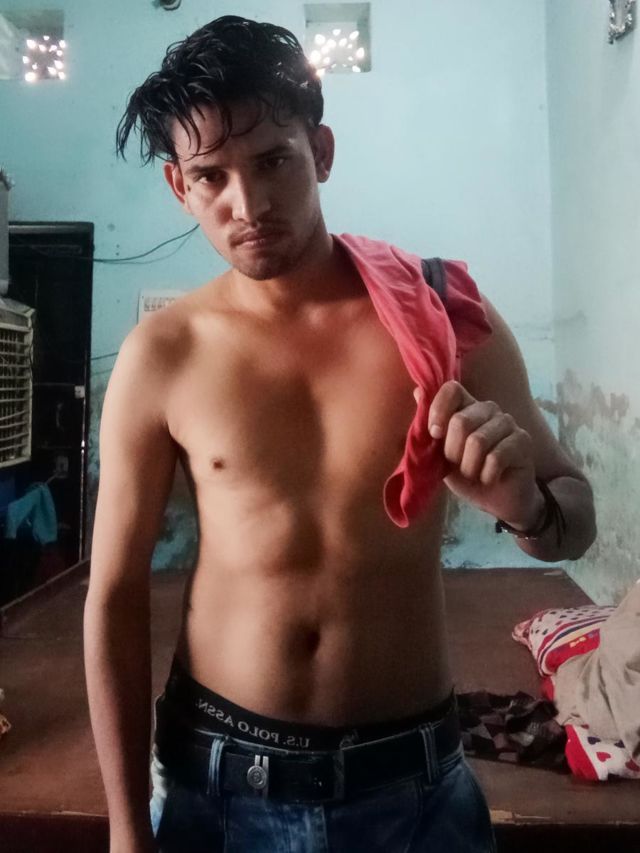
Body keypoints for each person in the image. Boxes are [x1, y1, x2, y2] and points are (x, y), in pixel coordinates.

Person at [84, 15, 597, 853]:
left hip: (414, 788)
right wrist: (125, 826)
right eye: (211, 176)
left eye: (273, 161)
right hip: (221, 784)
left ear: (320, 151)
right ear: (180, 186)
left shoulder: (444, 318)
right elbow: (112, 595)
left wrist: (527, 510)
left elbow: (576, 518)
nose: (248, 204)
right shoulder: (164, 355)